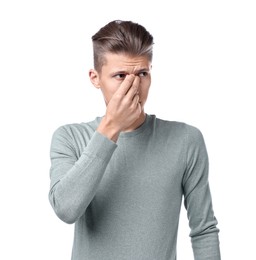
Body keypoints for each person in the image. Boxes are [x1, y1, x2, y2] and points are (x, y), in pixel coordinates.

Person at [48, 20, 221, 260]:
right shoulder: (70, 137)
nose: (134, 86)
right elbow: (66, 210)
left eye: (142, 73)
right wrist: (111, 127)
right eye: (120, 76)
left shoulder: (186, 140)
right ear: (95, 78)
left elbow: (204, 230)